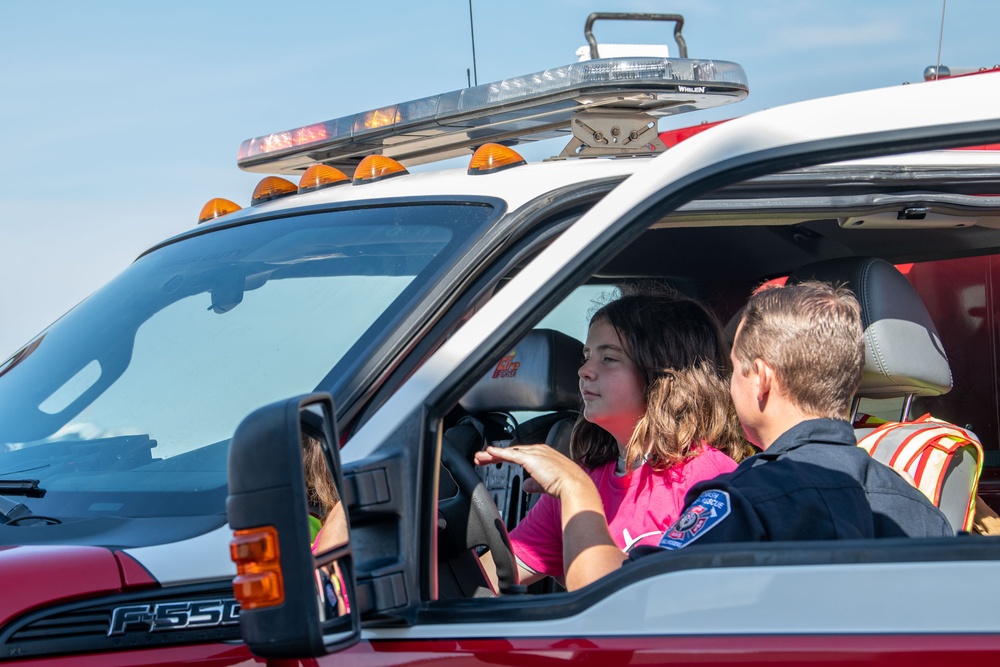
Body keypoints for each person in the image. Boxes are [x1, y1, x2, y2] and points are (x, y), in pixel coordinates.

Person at [480, 281, 953, 592]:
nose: (724, 384)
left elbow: (618, 602)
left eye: (735, 369)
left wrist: (575, 489)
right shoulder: (917, 508)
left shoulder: (737, 499)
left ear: (760, 379)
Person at [477, 291, 749, 587]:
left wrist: (574, 489)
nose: (584, 371)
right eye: (586, 356)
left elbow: (656, 601)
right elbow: (490, 580)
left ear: (661, 376)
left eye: (608, 358)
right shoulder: (585, 478)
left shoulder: (708, 477)